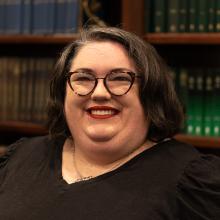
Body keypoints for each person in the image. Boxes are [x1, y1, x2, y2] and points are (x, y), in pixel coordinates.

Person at [0, 26, 220, 220]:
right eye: (83, 78)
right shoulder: (21, 157)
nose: (99, 93)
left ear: (150, 93)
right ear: (63, 92)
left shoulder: (192, 183)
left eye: (120, 78)